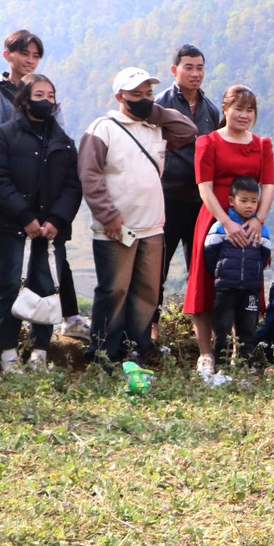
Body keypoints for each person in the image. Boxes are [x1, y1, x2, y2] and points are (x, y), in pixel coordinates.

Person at [78, 67, 199, 365]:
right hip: (116, 226)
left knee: (147, 290)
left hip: (153, 225)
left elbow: (188, 131)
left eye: (148, 93)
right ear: (120, 96)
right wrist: (108, 216)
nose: (143, 99)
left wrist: (154, 111)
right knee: (114, 289)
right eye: (136, 95)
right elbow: (89, 176)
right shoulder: (102, 128)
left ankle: (138, 347)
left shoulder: (154, 126)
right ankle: (105, 351)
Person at [0, 74, 83, 372]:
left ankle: (40, 353)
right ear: (24, 100)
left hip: (50, 230)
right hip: (11, 226)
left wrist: (55, 220)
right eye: (39, 95)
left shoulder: (64, 141)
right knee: (9, 286)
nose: (46, 101)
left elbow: (73, 186)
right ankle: (8, 354)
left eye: (51, 95)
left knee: (47, 287)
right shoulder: (3, 135)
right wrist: (25, 217)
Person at [184, 86, 274, 375]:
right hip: (213, 220)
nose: (244, 115)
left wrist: (257, 220)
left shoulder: (262, 145)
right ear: (225, 109)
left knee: (244, 283)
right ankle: (207, 354)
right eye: (238, 109)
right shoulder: (207, 142)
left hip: (251, 224)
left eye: (250, 110)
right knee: (206, 284)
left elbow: (268, 187)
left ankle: (240, 353)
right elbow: (204, 188)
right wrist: (226, 221)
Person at [155, 45, 220, 335]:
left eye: (200, 68)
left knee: (201, 268)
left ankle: (202, 333)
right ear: (174, 70)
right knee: (157, 266)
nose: (195, 74)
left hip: (201, 201)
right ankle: (150, 328)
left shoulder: (211, 109)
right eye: (189, 67)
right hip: (167, 197)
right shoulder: (159, 105)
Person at [203, 175, 272, 368]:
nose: (249, 205)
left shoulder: (261, 230)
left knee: (248, 329)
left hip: (250, 290)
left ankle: (245, 368)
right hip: (225, 288)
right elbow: (210, 254)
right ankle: (221, 368)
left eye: (253, 201)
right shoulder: (219, 227)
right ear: (232, 201)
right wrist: (221, 273)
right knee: (222, 329)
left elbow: (264, 256)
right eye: (244, 200)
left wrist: (254, 274)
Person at [0, 29, 48, 137]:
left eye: (35, 56)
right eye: (25, 54)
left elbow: (58, 135)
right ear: (7, 55)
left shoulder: (46, 94)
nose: (30, 60)